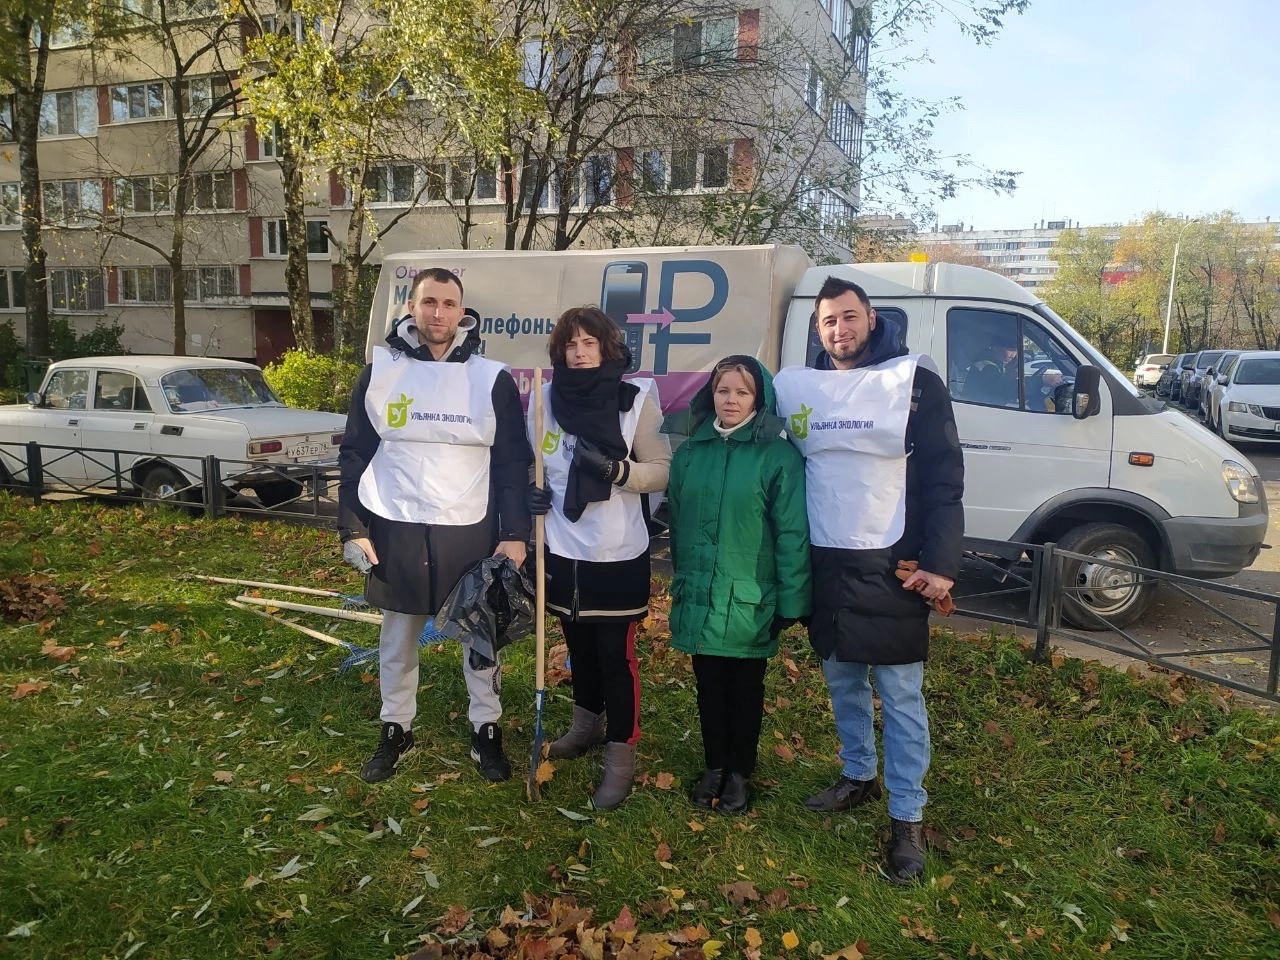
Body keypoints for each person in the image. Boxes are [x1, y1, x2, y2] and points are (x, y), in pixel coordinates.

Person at [774, 276, 964, 884]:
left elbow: (942, 475)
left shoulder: (912, 384)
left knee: (902, 697)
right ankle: (858, 774)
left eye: (849, 317)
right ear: (817, 328)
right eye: (829, 321)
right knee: (842, 678)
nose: (840, 330)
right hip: (827, 563)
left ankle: (907, 818)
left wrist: (940, 562)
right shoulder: (803, 389)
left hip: (895, 564)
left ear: (872, 318)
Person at [338, 268, 533, 784]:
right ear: (411, 307)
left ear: (462, 311)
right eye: (429, 302)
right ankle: (395, 727)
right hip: (395, 527)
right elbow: (356, 453)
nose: (439, 313)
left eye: (449, 304)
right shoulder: (379, 373)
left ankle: (485, 728)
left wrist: (515, 534)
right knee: (397, 636)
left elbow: (513, 461)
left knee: (481, 635)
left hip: (468, 530)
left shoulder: (492, 379)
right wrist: (352, 527)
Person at [526, 306, 671, 809]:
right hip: (562, 549)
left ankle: (620, 755)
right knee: (577, 648)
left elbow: (661, 470)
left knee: (616, 658)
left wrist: (615, 471)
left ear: (609, 348)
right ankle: (584, 724)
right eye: (571, 344)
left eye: (590, 343)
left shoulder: (634, 400)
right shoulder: (543, 398)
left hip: (616, 553)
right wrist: (532, 495)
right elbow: (535, 463)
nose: (580, 352)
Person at [666, 355, 811, 815]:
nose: (730, 400)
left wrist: (791, 600)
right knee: (708, 685)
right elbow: (680, 523)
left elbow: (791, 533)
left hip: (750, 598)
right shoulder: (691, 452)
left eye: (741, 392)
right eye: (723, 390)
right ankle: (714, 765)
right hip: (702, 594)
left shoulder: (778, 456)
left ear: (759, 399)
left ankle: (740, 771)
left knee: (746, 688)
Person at [963, 338, 1019, 407]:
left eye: (1015, 350)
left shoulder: (997, 364)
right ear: (995, 348)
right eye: (1010, 350)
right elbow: (996, 395)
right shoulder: (989, 368)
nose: (1013, 354)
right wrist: (1010, 376)